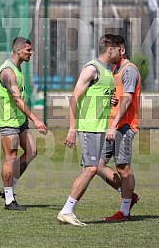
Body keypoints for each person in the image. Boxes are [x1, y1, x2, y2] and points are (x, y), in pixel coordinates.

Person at [57, 34, 121, 226]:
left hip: (99, 128)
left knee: (90, 169)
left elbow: (95, 95)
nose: (121, 52)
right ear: (110, 49)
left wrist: (107, 101)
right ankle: (67, 211)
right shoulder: (92, 68)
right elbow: (74, 98)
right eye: (119, 49)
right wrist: (72, 128)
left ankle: (68, 211)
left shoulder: (107, 71)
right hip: (89, 127)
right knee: (91, 169)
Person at [0, 37, 48, 211]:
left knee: (32, 151)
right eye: (28, 50)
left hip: (20, 120)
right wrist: (36, 119)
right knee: (10, 157)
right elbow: (17, 100)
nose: (31, 53)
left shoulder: (18, 69)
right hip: (9, 121)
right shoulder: (8, 72)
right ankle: (9, 200)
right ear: (18, 50)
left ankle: (7, 187)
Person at [97, 35, 141, 221]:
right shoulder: (115, 69)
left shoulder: (129, 70)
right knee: (95, 165)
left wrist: (114, 125)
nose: (109, 53)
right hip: (112, 125)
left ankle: (124, 211)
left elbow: (129, 99)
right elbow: (121, 97)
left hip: (122, 126)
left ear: (121, 50)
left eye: (112, 49)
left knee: (123, 168)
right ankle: (128, 195)